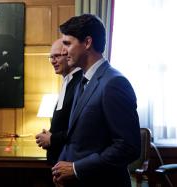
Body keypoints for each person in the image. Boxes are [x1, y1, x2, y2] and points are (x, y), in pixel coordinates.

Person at [51, 14, 141, 187]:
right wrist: (60, 171)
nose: (63, 51)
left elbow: (128, 147)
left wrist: (76, 169)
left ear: (87, 43)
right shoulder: (82, 81)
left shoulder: (114, 83)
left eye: (68, 44)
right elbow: (75, 140)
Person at [35, 38, 82, 166]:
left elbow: (78, 129)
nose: (52, 61)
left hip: (70, 164)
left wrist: (52, 139)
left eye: (56, 56)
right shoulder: (68, 82)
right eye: (50, 57)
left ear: (68, 55)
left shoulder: (79, 83)